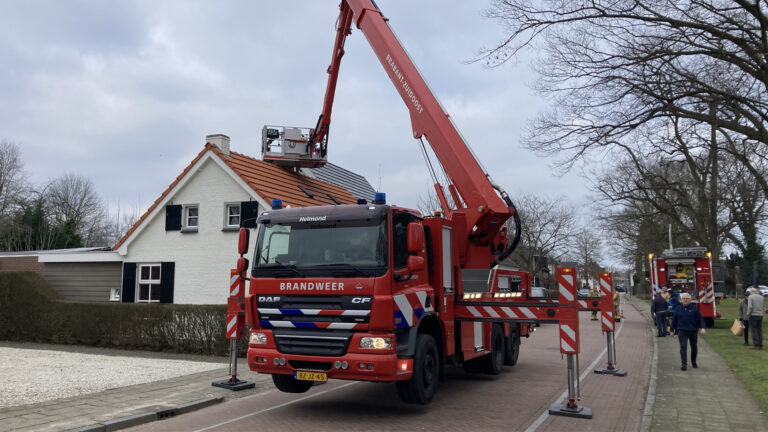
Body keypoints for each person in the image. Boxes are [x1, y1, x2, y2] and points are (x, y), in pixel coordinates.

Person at [671, 292, 706, 370]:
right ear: (681, 300)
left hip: (693, 331)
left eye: (687, 299)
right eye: (684, 298)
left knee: (694, 347)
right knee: (683, 347)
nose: (685, 300)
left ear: (690, 300)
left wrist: (703, 328)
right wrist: (671, 330)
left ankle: (694, 362)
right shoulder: (678, 309)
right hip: (682, 331)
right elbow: (674, 320)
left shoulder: (695, 309)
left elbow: (701, 319)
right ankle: (684, 365)